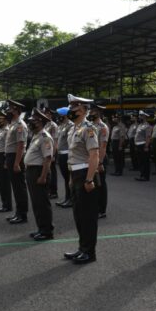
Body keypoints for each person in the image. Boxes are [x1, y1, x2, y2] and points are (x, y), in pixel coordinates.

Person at [63, 94, 100, 264]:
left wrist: (89, 179)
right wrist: (71, 178)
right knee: (78, 215)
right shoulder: (73, 129)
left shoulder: (88, 129)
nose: (71, 111)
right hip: (75, 175)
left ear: (84, 110)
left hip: (86, 174)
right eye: (71, 108)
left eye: (75, 108)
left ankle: (89, 252)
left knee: (88, 216)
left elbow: (94, 156)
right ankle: (81, 248)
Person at [25, 108, 54, 241]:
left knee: (42, 203)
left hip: (39, 172)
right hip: (31, 171)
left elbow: (48, 159)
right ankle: (40, 228)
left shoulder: (45, 137)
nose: (30, 123)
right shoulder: (36, 136)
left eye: (33, 121)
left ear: (40, 122)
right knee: (36, 203)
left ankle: (47, 231)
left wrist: (43, 176)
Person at [5, 100, 29, 224]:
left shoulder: (20, 125)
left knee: (19, 187)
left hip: (16, 157)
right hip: (11, 156)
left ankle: (22, 214)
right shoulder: (13, 124)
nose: (8, 111)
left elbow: (21, 145)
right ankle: (17, 212)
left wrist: (16, 163)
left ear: (16, 110)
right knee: (15, 187)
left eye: (10, 109)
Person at [89, 103, 109, 219]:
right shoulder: (90, 125)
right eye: (91, 111)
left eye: (94, 111)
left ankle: (102, 210)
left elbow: (103, 146)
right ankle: (95, 207)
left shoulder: (103, 127)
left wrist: (100, 162)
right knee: (95, 184)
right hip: (92, 157)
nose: (91, 113)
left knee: (101, 184)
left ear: (99, 113)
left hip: (100, 158)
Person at [0, 112, 12, 213]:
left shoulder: (7, 130)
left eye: (1, 119)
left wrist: (5, 161)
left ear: (5, 120)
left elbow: (7, 146)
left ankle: (7, 205)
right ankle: (4, 203)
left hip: (3, 156)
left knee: (5, 182)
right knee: (1, 182)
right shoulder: (1, 130)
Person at [55, 107, 73, 208]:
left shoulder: (70, 125)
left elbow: (70, 142)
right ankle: (67, 197)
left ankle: (70, 199)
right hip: (61, 154)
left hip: (67, 154)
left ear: (65, 115)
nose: (59, 117)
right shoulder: (61, 126)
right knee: (66, 178)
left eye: (60, 115)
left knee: (69, 177)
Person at [43, 108, 58, 199]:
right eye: (45, 113)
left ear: (50, 115)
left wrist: (53, 154)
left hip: (51, 151)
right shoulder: (44, 124)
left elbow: (55, 141)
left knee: (52, 172)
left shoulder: (53, 125)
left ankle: (54, 191)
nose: (46, 115)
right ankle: (48, 190)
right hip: (44, 151)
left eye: (47, 114)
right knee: (47, 171)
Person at [135, 110, 152, 181]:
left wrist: (146, 146)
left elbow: (148, 137)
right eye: (139, 115)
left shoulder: (147, 126)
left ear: (144, 116)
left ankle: (146, 176)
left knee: (145, 161)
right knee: (140, 161)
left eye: (141, 116)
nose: (139, 117)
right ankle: (142, 175)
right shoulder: (140, 125)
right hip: (138, 145)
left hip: (143, 145)